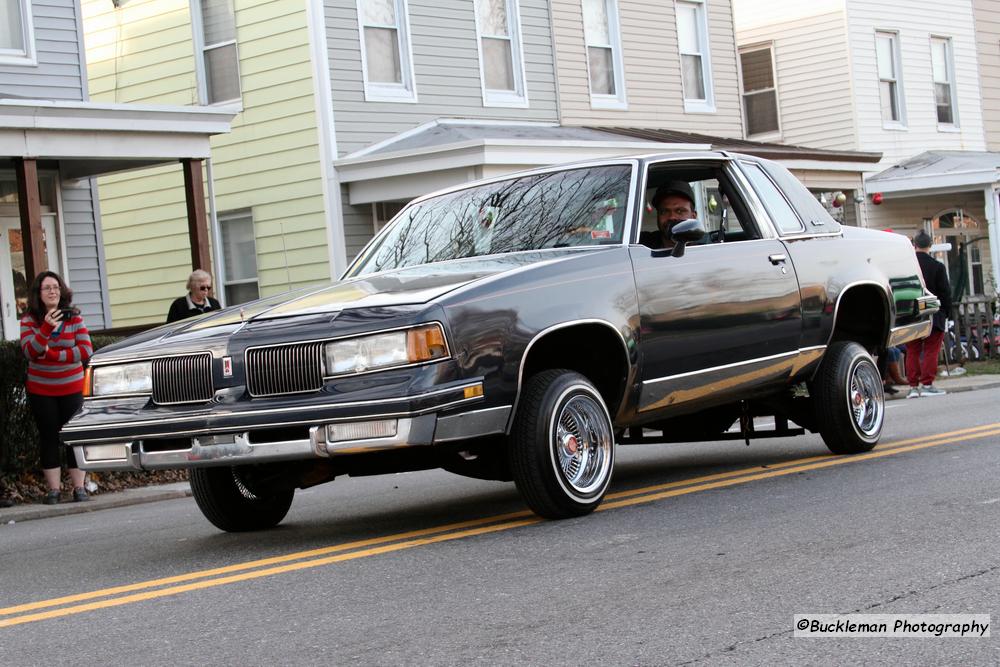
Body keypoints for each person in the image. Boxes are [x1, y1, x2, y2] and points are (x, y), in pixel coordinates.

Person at [20, 271, 93, 504]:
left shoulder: (74, 318)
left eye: (56, 287)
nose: (53, 291)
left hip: (71, 387)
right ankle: (53, 490)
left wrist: (51, 354)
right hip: (42, 390)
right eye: (47, 288)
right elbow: (30, 352)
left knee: (73, 436)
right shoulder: (29, 320)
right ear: (38, 294)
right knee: (49, 437)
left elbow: (85, 351)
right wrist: (46, 329)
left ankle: (79, 488)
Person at [905, 231, 951, 398]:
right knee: (931, 350)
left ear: (914, 245)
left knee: (912, 350)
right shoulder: (937, 266)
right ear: (930, 246)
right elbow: (945, 293)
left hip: (911, 312)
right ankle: (927, 384)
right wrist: (946, 312)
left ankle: (912, 386)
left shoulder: (907, 266)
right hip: (933, 311)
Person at [639, 181, 697, 250]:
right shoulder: (640, 246)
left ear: (693, 216)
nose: (672, 217)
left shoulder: (708, 247)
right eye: (664, 212)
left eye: (680, 211)